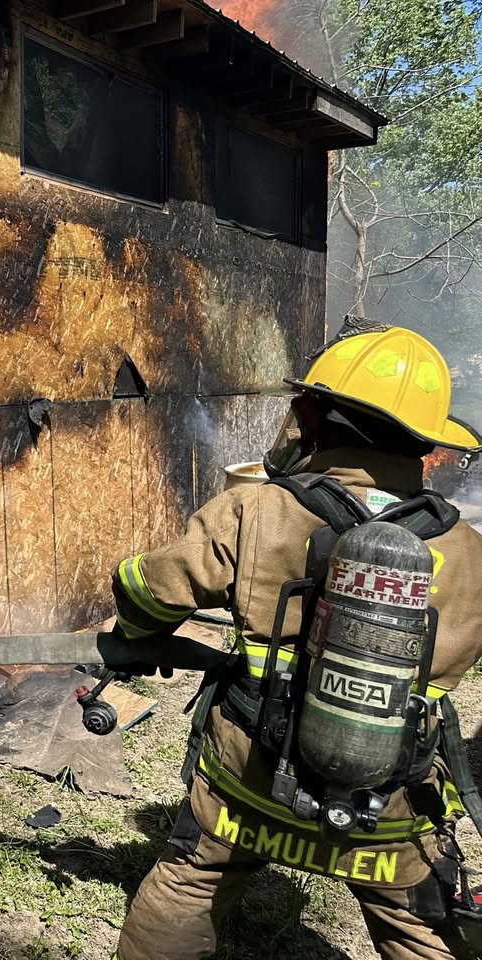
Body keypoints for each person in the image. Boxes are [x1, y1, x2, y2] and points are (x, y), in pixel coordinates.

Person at [110, 326, 482, 960]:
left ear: (310, 414)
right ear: (428, 446)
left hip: (249, 783)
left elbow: (146, 587)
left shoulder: (256, 509)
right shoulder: (470, 554)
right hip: (388, 808)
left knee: (189, 882)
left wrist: (137, 640)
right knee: (422, 930)